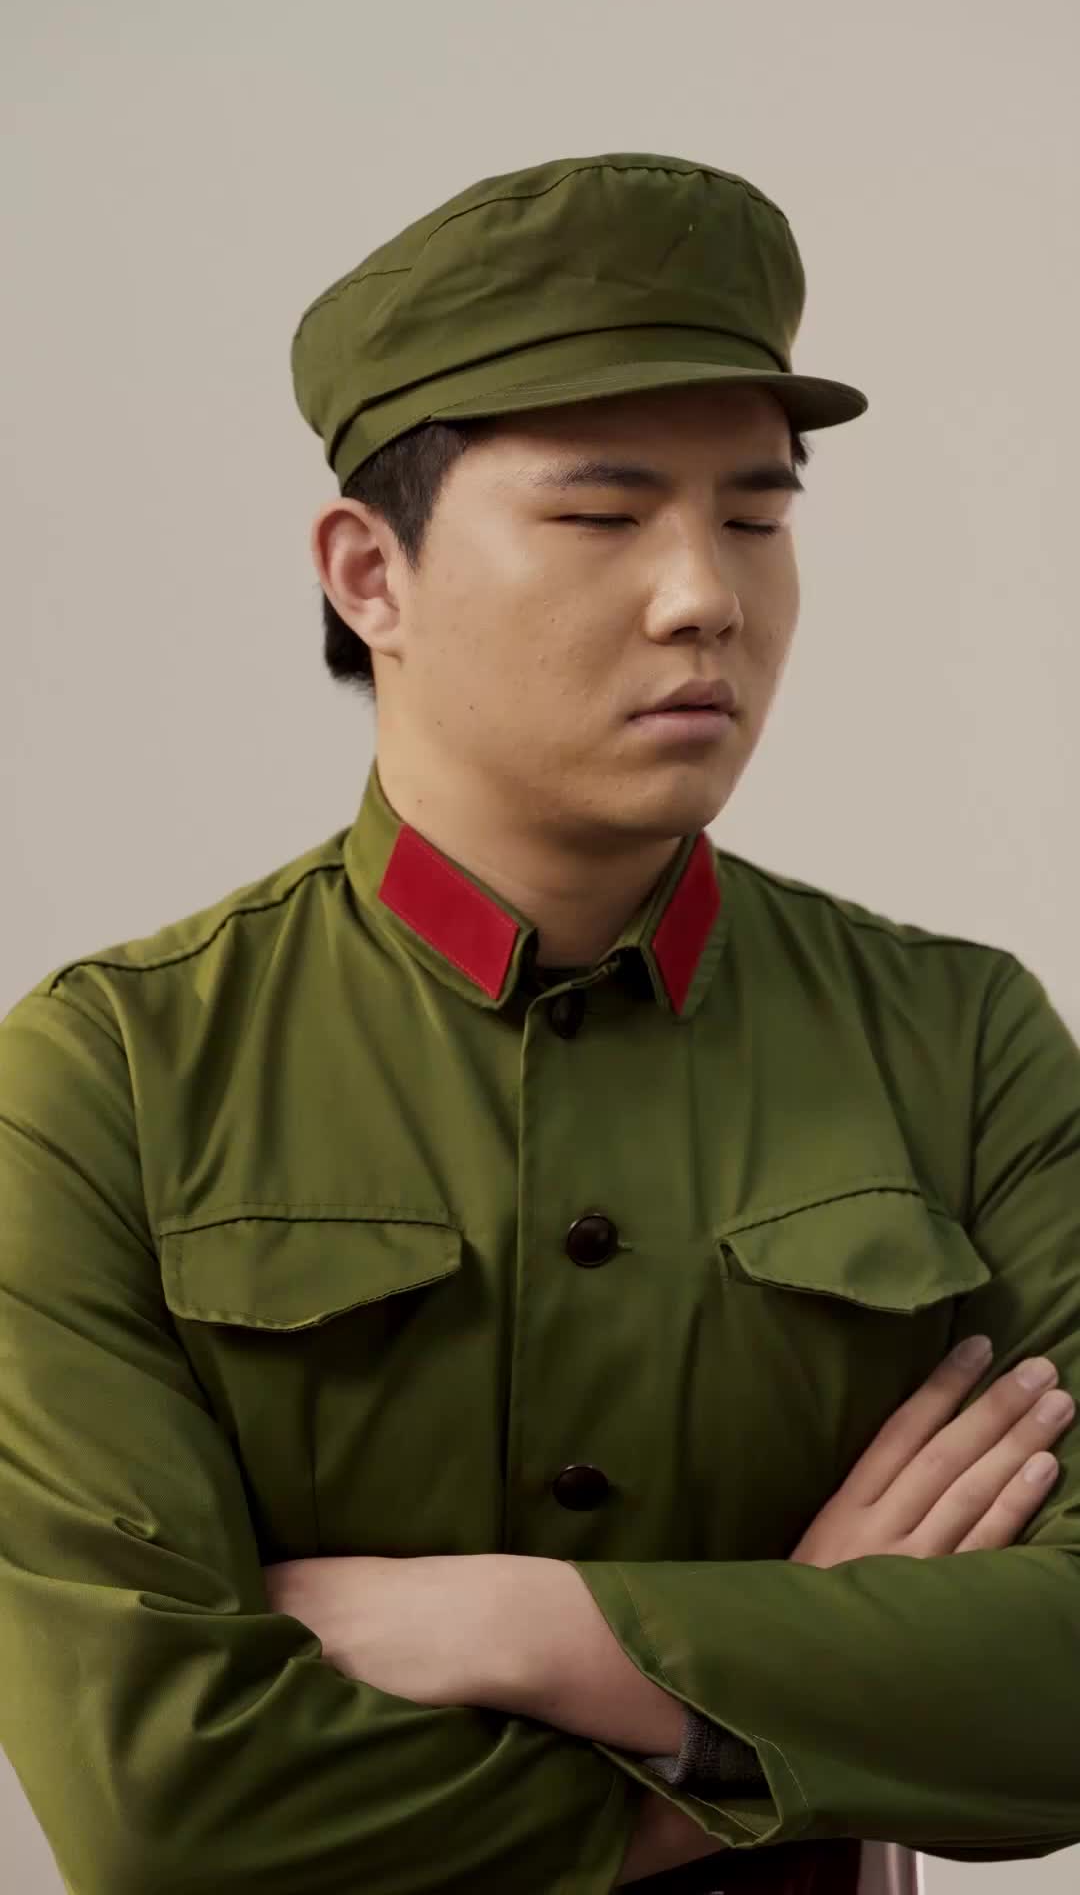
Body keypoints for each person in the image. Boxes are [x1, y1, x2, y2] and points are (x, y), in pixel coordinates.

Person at [1, 151, 1079, 1895]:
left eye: (757, 518)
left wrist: (545, 1629)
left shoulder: (959, 1043)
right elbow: (161, 1802)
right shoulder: (105, 1081)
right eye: (601, 516)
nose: (706, 595)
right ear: (369, 573)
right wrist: (782, 1690)